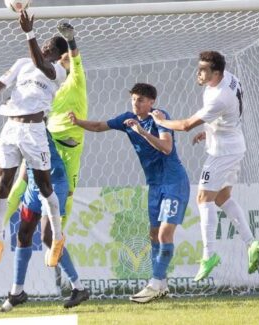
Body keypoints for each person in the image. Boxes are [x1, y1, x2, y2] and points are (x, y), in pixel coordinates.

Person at [69, 83, 189, 303]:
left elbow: (167, 147)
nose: (136, 103)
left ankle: (154, 282)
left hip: (174, 182)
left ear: (152, 102)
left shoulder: (160, 117)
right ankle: (161, 285)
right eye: (134, 99)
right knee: (154, 235)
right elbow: (98, 126)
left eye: (141, 99)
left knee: (164, 234)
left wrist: (141, 132)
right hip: (154, 185)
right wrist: (77, 122)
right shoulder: (127, 118)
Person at [150, 51, 259, 281]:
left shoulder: (218, 97)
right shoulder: (228, 78)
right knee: (222, 198)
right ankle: (252, 243)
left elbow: (184, 125)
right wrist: (209, 131)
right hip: (233, 144)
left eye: (203, 70)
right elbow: (228, 115)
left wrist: (160, 121)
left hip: (222, 152)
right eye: (199, 67)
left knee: (203, 198)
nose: (198, 73)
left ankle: (208, 255)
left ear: (216, 73)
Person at [0, 22, 87, 247]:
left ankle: (57, 237)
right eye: (44, 44)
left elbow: (41, 62)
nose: (45, 48)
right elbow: (0, 83)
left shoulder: (58, 72)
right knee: (6, 183)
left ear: (58, 57)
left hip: (41, 137)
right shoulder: (22, 63)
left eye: (51, 48)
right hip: (13, 129)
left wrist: (29, 32)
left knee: (47, 188)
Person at [0, 134, 90, 312]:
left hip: (53, 183)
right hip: (33, 185)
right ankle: (17, 293)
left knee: (47, 236)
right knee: (23, 234)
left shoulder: (37, 124)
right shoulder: (19, 124)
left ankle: (79, 288)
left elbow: (22, 132)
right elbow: (15, 132)